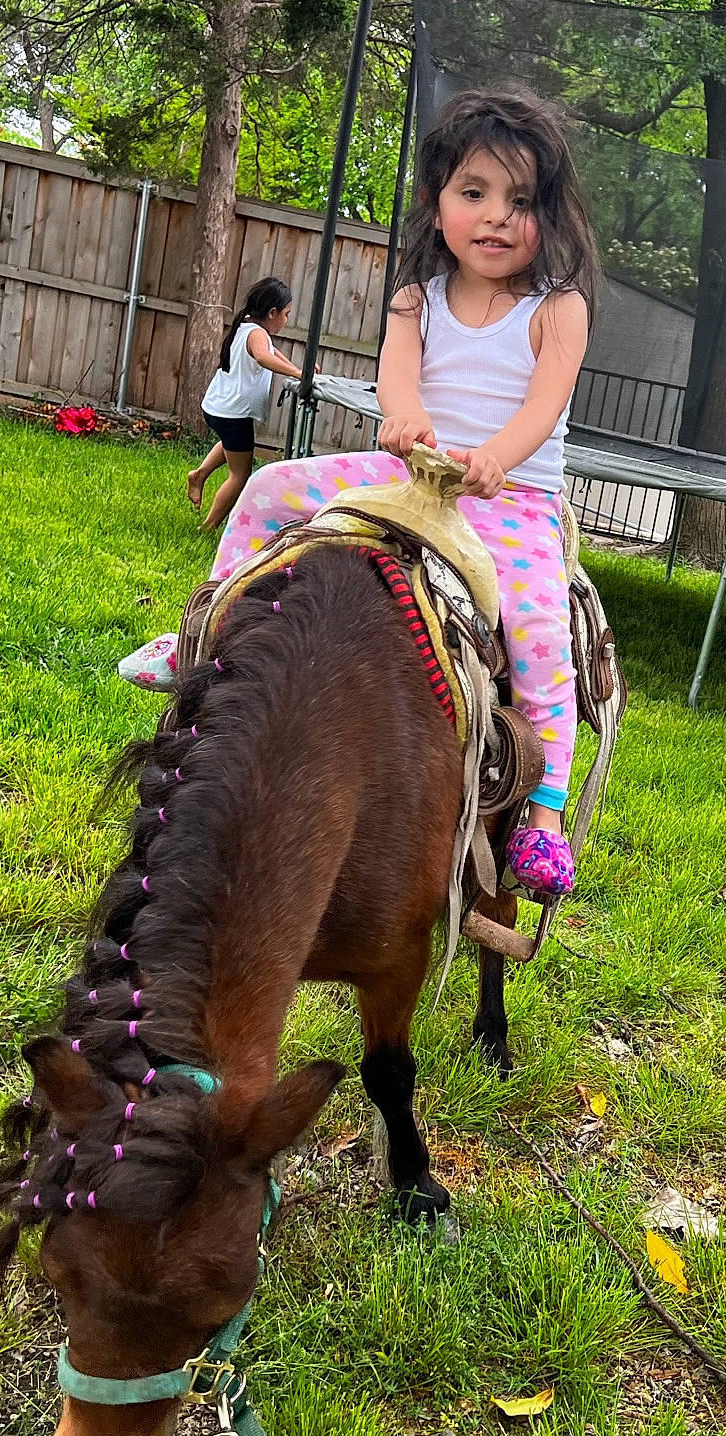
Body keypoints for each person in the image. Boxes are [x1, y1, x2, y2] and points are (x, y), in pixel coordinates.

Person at [120, 90, 596, 901]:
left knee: (541, 632)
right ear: (437, 202)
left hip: (507, 494)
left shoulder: (559, 308)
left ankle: (544, 810)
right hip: (411, 474)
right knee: (269, 487)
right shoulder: (418, 299)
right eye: (474, 192)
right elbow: (398, 376)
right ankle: (207, 632)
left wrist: (495, 458)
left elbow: (543, 405)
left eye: (521, 201)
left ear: (549, 215)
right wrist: (404, 417)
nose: (495, 217)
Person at [185, 277, 300, 528]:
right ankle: (208, 527)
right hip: (233, 413)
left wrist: (298, 368)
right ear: (272, 312)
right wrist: (298, 374)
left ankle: (199, 475)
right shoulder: (257, 334)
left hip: (219, 406)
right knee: (240, 475)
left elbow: (271, 351)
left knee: (232, 445)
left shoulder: (247, 325)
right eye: (286, 314)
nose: (286, 320)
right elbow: (263, 357)